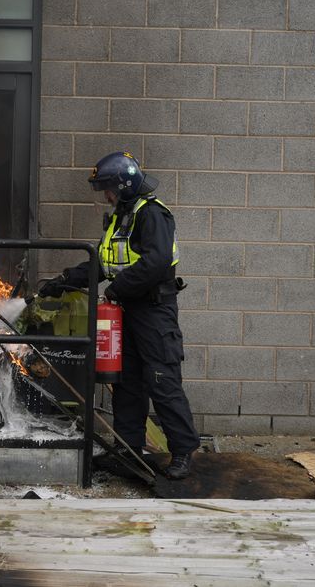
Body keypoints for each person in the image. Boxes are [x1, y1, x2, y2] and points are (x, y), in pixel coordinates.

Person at [39, 151, 199, 480]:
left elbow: (155, 264)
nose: (106, 196)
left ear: (124, 184)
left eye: (109, 189)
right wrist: (64, 280)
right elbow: (103, 263)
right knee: (126, 384)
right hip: (128, 311)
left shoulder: (152, 215)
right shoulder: (119, 219)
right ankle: (129, 449)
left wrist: (117, 288)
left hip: (154, 312)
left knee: (161, 381)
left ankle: (183, 451)